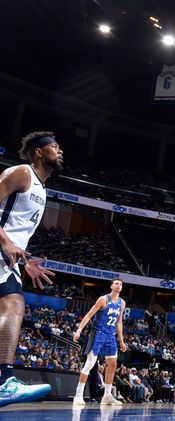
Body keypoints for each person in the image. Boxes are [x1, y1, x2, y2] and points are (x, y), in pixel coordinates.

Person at [0, 132, 61, 407]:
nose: (60, 152)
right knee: (13, 304)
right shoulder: (22, 172)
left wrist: (26, 261)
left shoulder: (42, 190)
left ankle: (4, 381)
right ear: (38, 152)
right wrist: (5, 242)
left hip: (9, 259)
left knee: (13, 305)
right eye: (54, 147)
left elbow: (15, 230)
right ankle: (4, 381)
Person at [73, 278, 128, 405]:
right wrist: (79, 330)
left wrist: (121, 340)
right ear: (111, 286)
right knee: (90, 364)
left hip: (111, 336)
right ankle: (78, 395)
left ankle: (107, 396)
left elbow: (119, 322)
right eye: (116, 283)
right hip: (98, 334)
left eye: (120, 284)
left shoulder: (122, 303)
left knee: (113, 364)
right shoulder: (103, 299)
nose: (119, 285)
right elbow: (88, 315)